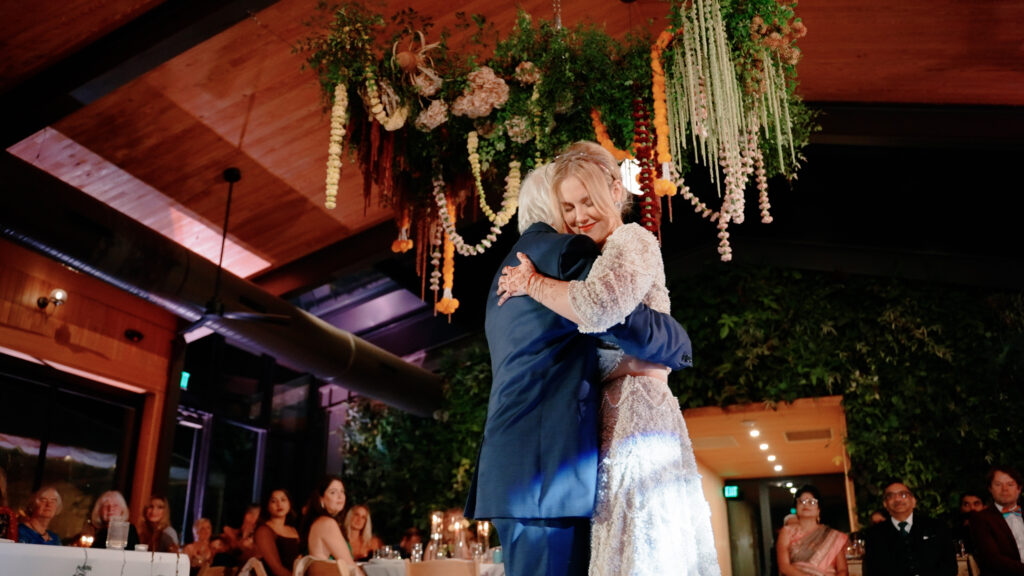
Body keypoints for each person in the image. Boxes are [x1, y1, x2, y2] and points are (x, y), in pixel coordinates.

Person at [494, 142, 720, 576]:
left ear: (616, 191)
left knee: (643, 544)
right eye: (568, 207)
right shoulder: (598, 254)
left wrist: (532, 284)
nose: (579, 216)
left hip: (638, 414)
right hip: (611, 415)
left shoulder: (632, 239)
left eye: (587, 201)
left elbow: (600, 309)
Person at [863, 480, 957, 576]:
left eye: (903, 495)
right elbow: (873, 571)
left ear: (913, 501)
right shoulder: (874, 534)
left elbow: (950, 566)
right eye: (891, 496)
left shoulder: (937, 527)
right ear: (885, 504)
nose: (897, 499)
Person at [776, 485, 848, 576]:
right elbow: (784, 567)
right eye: (802, 501)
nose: (806, 504)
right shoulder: (787, 532)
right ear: (796, 508)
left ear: (818, 510)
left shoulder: (833, 536)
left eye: (812, 502)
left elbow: (842, 570)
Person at [298, 476, 360, 576]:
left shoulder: (319, 521)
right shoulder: (327, 523)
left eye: (342, 491)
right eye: (333, 492)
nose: (340, 496)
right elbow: (349, 565)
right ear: (321, 499)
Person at [970, 466, 1024, 575]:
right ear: (990, 489)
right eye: (998, 484)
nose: (1004, 489)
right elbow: (993, 560)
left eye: (1010, 484)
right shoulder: (981, 519)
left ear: (1019, 489)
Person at [253, 489, 300, 576]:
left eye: (283, 500)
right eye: (273, 501)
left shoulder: (293, 530)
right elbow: (276, 568)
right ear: (267, 506)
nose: (279, 504)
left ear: (289, 504)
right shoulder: (263, 530)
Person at [952, 490, 986, 555]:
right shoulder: (953, 534)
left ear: (984, 507)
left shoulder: (994, 532)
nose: (972, 508)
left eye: (976, 504)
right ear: (961, 508)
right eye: (967, 504)